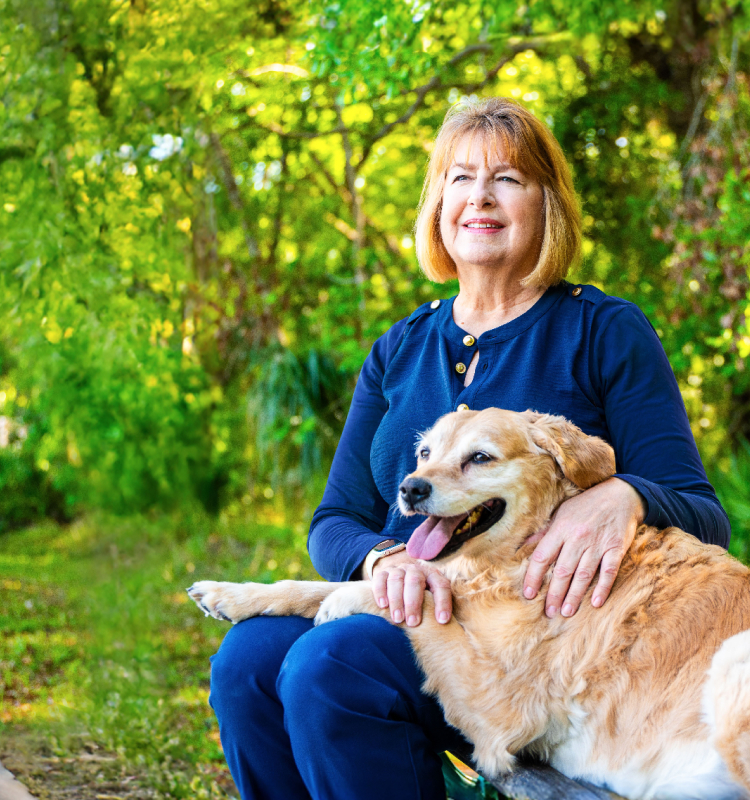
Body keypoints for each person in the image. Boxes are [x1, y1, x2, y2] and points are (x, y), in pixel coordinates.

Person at [209, 97, 730, 800]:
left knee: (331, 665)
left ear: (547, 204)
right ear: (438, 203)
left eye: (507, 179)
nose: (480, 197)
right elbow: (335, 520)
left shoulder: (603, 329)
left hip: (523, 646)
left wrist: (623, 494)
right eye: (461, 177)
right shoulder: (399, 347)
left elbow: (703, 513)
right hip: (398, 603)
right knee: (244, 662)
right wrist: (383, 560)